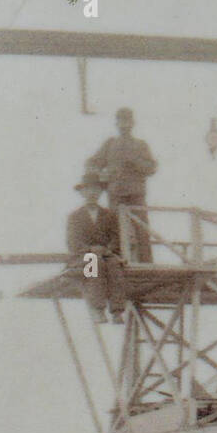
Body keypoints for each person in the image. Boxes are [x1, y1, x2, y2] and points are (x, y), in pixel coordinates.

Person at [87, 107, 158, 262]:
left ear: (132, 123)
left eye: (127, 121)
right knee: (116, 228)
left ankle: (146, 263)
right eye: (121, 121)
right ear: (117, 123)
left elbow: (152, 167)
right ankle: (117, 261)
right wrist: (101, 175)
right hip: (116, 194)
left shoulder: (140, 145)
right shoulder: (110, 144)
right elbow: (92, 163)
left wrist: (136, 162)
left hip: (136, 194)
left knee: (141, 229)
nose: (124, 125)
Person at [66, 171, 125, 323]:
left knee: (114, 265)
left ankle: (117, 311)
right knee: (93, 262)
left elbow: (116, 237)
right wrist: (90, 249)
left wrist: (108, 249)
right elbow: (73, 241)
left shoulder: (109, 215)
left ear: (100, 192)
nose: (92, 193)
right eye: (88, 190)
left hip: (106, 254)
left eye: (95, 189)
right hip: (83, 256)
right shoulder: (75, 217)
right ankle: (98, 309)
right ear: (82, 193)